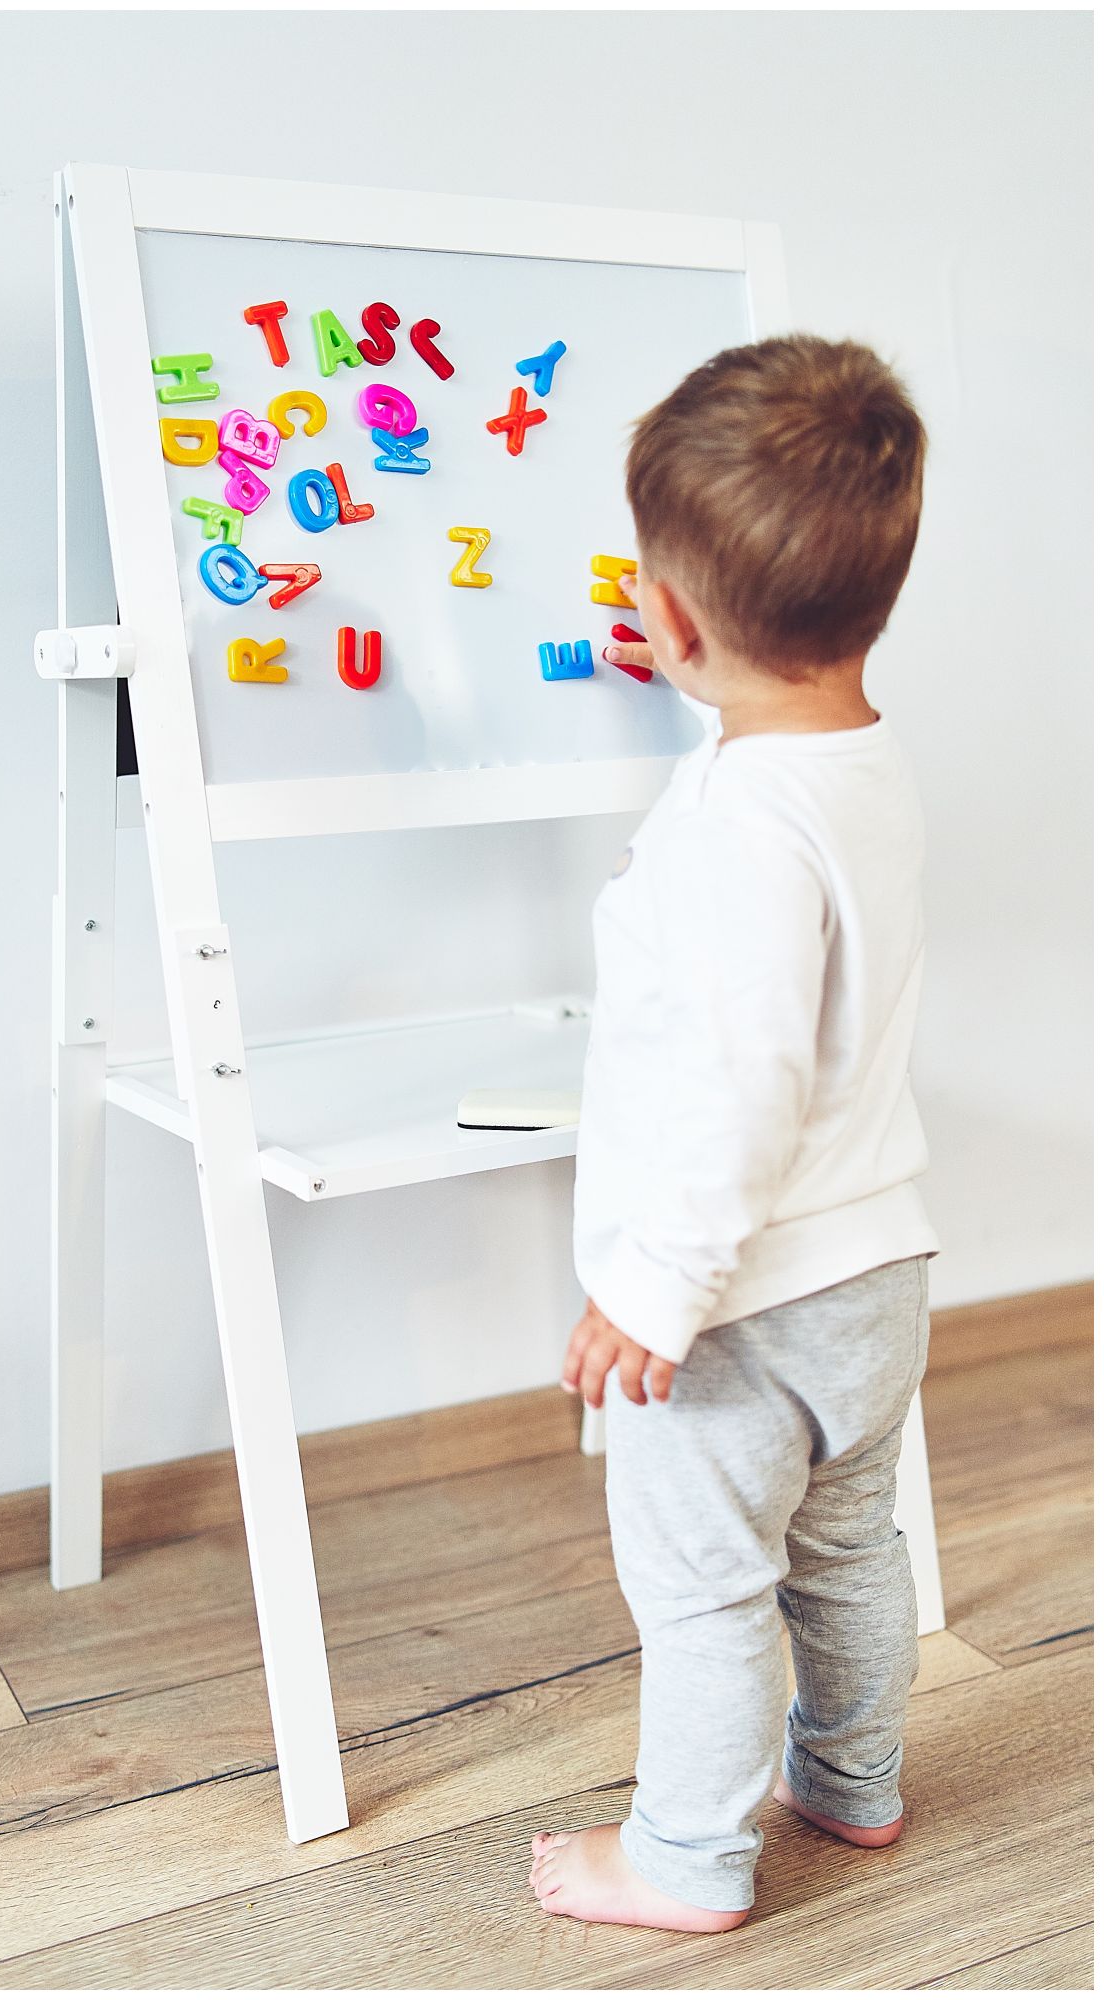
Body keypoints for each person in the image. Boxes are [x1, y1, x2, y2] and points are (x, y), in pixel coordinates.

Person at [531, 335, 939, 1931]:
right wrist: (705, 684)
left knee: (704, 1590)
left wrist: (656, 1287)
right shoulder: (858, 762)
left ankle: (684, 1861)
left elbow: (743, 1085)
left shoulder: (729, 832)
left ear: (682, 624)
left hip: (736, 1303)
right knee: (846, 1553)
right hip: (872, 1270)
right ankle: (851, 1782)